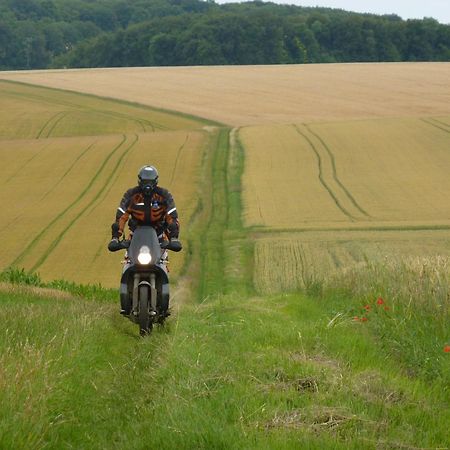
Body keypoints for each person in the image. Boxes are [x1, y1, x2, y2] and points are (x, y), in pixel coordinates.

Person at [110, 165, 180, 249]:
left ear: (155, 181)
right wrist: (115, 237)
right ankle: (128, 261)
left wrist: (174, 238)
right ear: (140, 181)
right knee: (128, 260)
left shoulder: (164, 195)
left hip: (159, 237)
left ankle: (162, 261)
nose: (148, 185)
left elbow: (172, 216)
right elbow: (121, 215)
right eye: (145, 181)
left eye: (150, 182)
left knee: (163, 260)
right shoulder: (131, 194)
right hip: (135, 236)